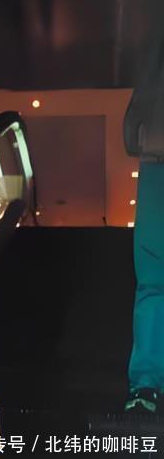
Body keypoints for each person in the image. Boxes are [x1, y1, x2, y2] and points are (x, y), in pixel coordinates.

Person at [123, 37, 164, 415]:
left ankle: (147, 384)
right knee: (152, 279)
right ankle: (146, 383)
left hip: (156, 156)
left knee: (153, 280)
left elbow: (130, 132)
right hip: (156, 158)